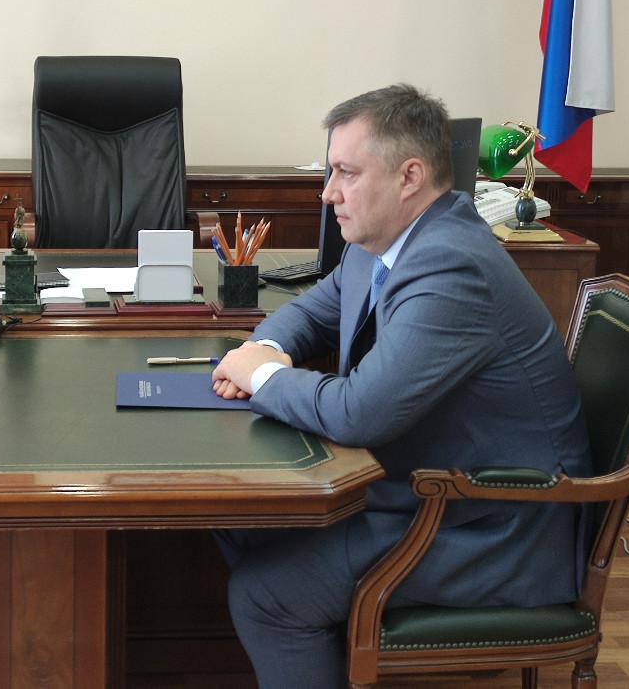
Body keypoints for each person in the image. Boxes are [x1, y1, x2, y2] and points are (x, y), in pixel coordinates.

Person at [209, 84, 592, 689]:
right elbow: (312, 310)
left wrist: (258, 375)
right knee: (240, 519)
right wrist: (265, 350)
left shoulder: (451, 266)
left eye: (346, 172)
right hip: (430, 486)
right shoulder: (381, 241)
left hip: (489, 524)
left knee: (266, 596)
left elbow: (358, 413)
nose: (327, 192)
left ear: (410, 176)